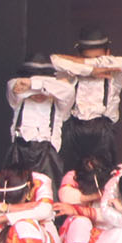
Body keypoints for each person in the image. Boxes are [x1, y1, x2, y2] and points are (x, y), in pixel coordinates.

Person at [52, 27, 122, 179]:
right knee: (71, 176)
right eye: (86, 58)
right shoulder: (71, 73)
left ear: (108, 53)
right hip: (74, 129)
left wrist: (88, 63)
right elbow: (54, 60)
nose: (95, 65)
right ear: (79, 55)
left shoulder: (116, 77)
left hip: (102, 131)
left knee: (103, 176)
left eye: (98, 58)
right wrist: (89, 70)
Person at [4, 55, 72, 186]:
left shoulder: (60, 103)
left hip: (48, 159)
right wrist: (35, 86)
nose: (39, 94)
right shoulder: (17, 99)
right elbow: (13, 85)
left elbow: (68, 90)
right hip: (19, 156)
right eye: (32, 90)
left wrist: (34, 84)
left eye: (44, 89)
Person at [54, 157, 103, 243]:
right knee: (80, 223)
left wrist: (77, 210)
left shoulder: (114, 180)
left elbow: (109, 215)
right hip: (76, 240)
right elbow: (66, 196)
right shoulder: (74, 176)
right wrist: (94, 196)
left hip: (104, 241)